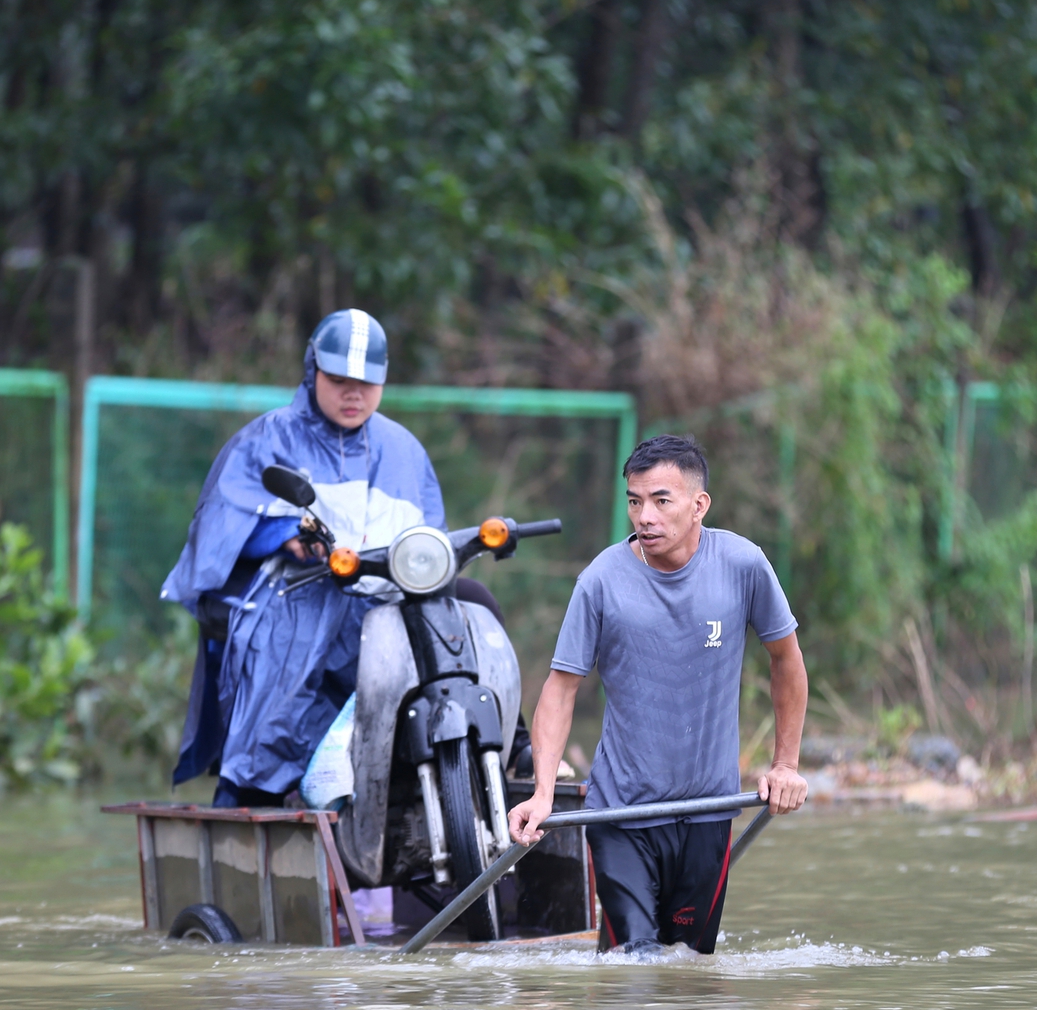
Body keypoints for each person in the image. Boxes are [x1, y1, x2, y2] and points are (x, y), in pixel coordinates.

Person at [508, 433, 810, 954]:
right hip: (620, 814)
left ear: (699, 506)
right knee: (636, 962)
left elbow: (786, 660)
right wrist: (539, 793)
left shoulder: (743, 565)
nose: (644, 515)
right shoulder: (600, 581)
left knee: (688, 968)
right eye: (634, 501)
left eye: (660, 501)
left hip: (710, 810)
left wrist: (785, 765)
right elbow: (560, 690)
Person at [161, 309, 446, 808]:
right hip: (292, 605)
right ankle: (249, 798)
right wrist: (281, 534)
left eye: (367, 383)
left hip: (383, 610)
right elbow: (220, 530)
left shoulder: (405, 451)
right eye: (339, 380)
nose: (353, 394)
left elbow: (431, 543)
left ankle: (505, 747)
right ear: (313, 369)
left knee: (468, 606)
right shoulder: (264, 440)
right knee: (276, 719)